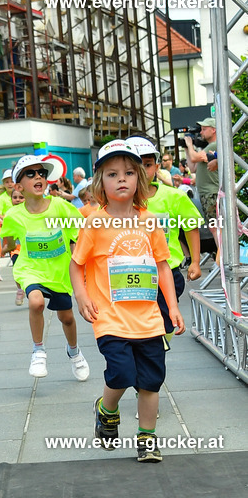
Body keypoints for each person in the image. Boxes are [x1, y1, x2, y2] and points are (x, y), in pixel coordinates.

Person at [70, 140, 185, 463]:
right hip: (110, 316)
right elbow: (76, 264)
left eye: (129, 173)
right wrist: (81, 296)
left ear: (140, 181)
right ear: (99, 183)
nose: (122, 179)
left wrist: (172, 307)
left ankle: (147, 439)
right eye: (112, 174)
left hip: (148, 318)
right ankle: (106, 409)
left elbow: (163, 265)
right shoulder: (94, 221)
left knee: (151, 380)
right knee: (121, 373)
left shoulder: (150, 221)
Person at [0, 155, 89, 381]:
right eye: (31, 174)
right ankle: (38, 351)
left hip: (59, 273)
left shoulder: (61, 207)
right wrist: (8, 249)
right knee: (36, 302)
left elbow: (82, 236)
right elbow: (9, 241)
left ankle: (74, 351)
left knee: (66, 318)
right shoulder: (13, 215)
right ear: (19, 185)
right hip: (31, 270)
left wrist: (84, 265)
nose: (38, 176)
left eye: (41, 173)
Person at [126, 136, 202, 344]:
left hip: (168, 271)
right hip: (131, 273)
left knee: (164, 321)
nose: (142, 171)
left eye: (147, 165)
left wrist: (195, 261)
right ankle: (150, 349)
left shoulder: (173, 197)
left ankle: (157, 345)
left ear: (157, 167)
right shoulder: (117, 200)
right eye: (135, 165)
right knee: (142, 324)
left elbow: (191, 227)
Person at [184, 117, 219, 240]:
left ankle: (223, 256)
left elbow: (194, 158)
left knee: (215, 227)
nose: (201, 132)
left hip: (211, 192)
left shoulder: (215, 145)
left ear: (214, 130)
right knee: (214, 227)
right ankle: (222, 255)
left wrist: (189, 144)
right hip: (206, 192)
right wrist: (187, 149)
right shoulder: (208, 147)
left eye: (204, 129)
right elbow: (193, 168)